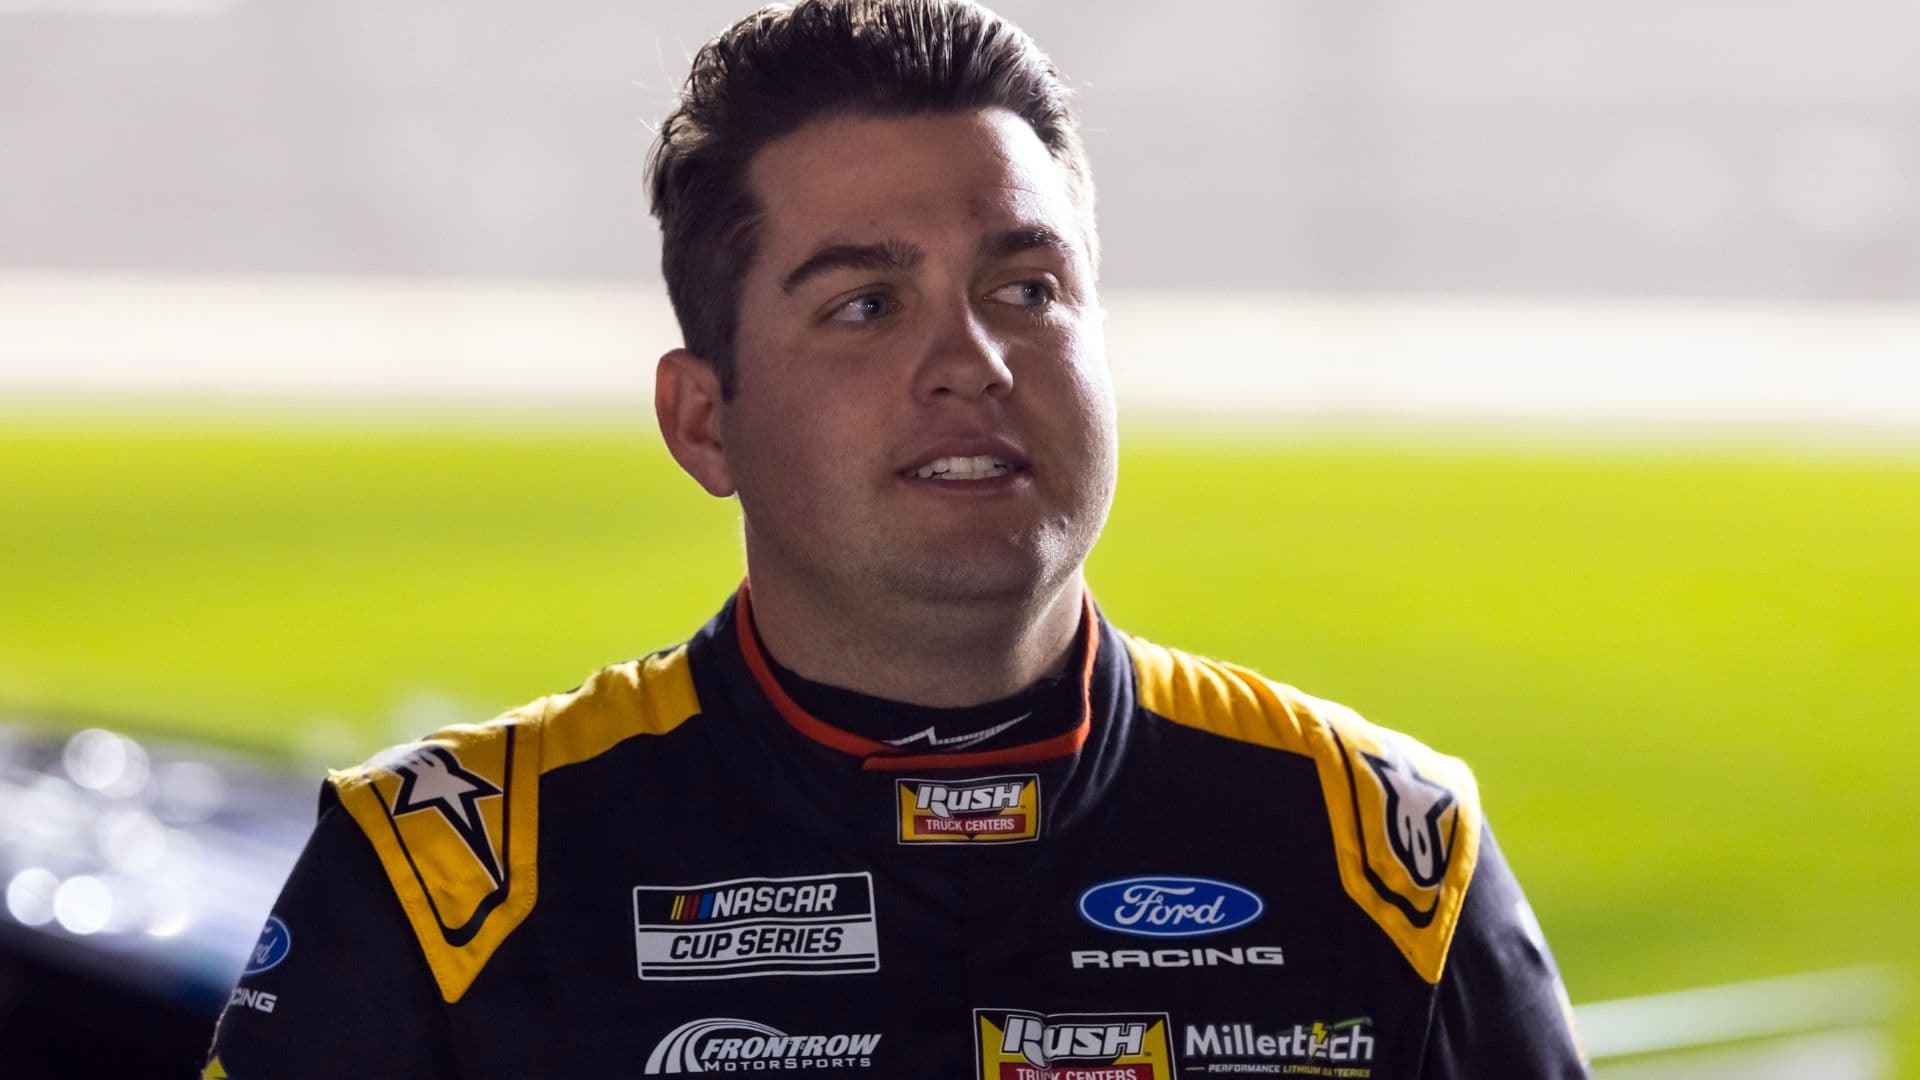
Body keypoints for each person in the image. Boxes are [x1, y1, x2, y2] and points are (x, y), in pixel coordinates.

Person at [203, 1, 1589, 1077]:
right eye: (866, 304)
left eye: (1028, 288)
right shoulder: (444, 887)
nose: (973, 360)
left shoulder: (1390, 862)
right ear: (704, 424)